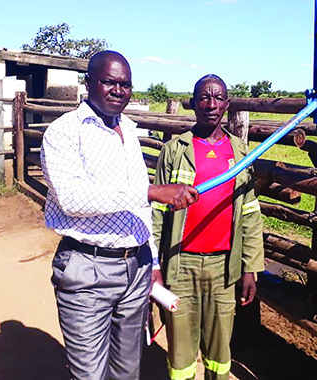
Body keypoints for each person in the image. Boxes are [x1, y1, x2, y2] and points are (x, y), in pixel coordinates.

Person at [40, 50, 199, 380]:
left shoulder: (128, 130)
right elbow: (72, 197)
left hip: (135, 266)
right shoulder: (64, 132)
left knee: (127, 370)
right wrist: (151, 192)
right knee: (89, 374)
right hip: (87, 269)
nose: (118, 91)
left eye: (125, 85)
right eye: (109, 82)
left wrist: (152, 261)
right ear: (89, 83)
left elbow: (138, 211)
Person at [151, 74, 264, 380]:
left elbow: (251, 215)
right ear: (193, 103)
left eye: (217, 98)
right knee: (181, 354)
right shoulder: (175, 150)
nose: (211, 104)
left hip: (224, 268)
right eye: (204, 97)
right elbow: (158, 212)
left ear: (226, 105)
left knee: (219, 354)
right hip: (180, 264)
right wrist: (152, 264)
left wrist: (250, 268)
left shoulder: (240, 153)